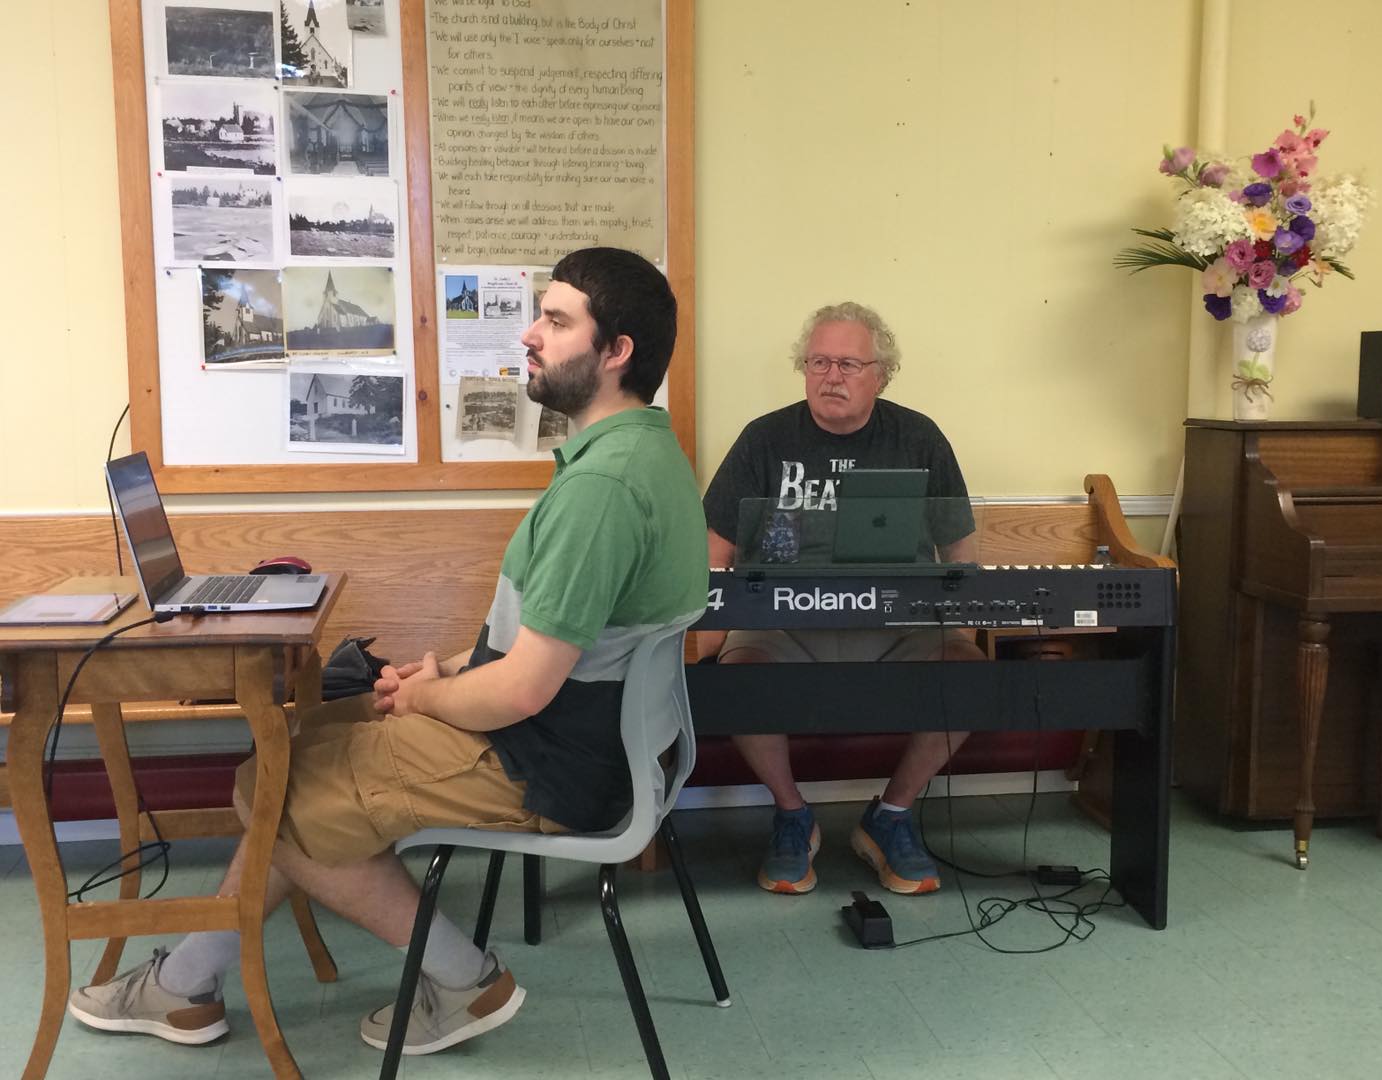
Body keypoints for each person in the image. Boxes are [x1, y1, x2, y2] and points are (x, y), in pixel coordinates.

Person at [67, 248, 709, 1056]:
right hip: (596, 744)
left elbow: (523, 692)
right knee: (291, 757)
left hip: (545, 760)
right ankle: (187, 986)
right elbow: (559, 648)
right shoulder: (647, 456)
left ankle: (464, 981)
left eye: (555, 320)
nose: (529, 335)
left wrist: (430, 698)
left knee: (272, 788)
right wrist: (445, 672)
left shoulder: (602, 491)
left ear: (616, 351)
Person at [700, 301, 984, 896]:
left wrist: (961, 627)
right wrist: (709, 633)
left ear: (883, 374)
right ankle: (792, 815)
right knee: (738, 677)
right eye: (819, 361)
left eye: (849, 363)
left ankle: (891, 817)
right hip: (781, 619)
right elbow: (714, 550)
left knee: (967, 675)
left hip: (898, 619)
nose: (832, 376)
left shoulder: (918, 437)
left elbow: (959, 548)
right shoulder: (764, 439)